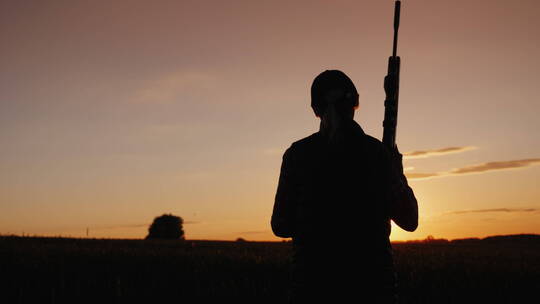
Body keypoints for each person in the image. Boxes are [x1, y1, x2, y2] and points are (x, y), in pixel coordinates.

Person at [271, 70, 418, 303]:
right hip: (374, 291)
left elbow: (281, 225)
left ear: (316, 110)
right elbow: (410, 220)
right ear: (355, 104)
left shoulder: (297, 155)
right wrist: (396, 171)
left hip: (310, 290)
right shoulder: (378, 154)